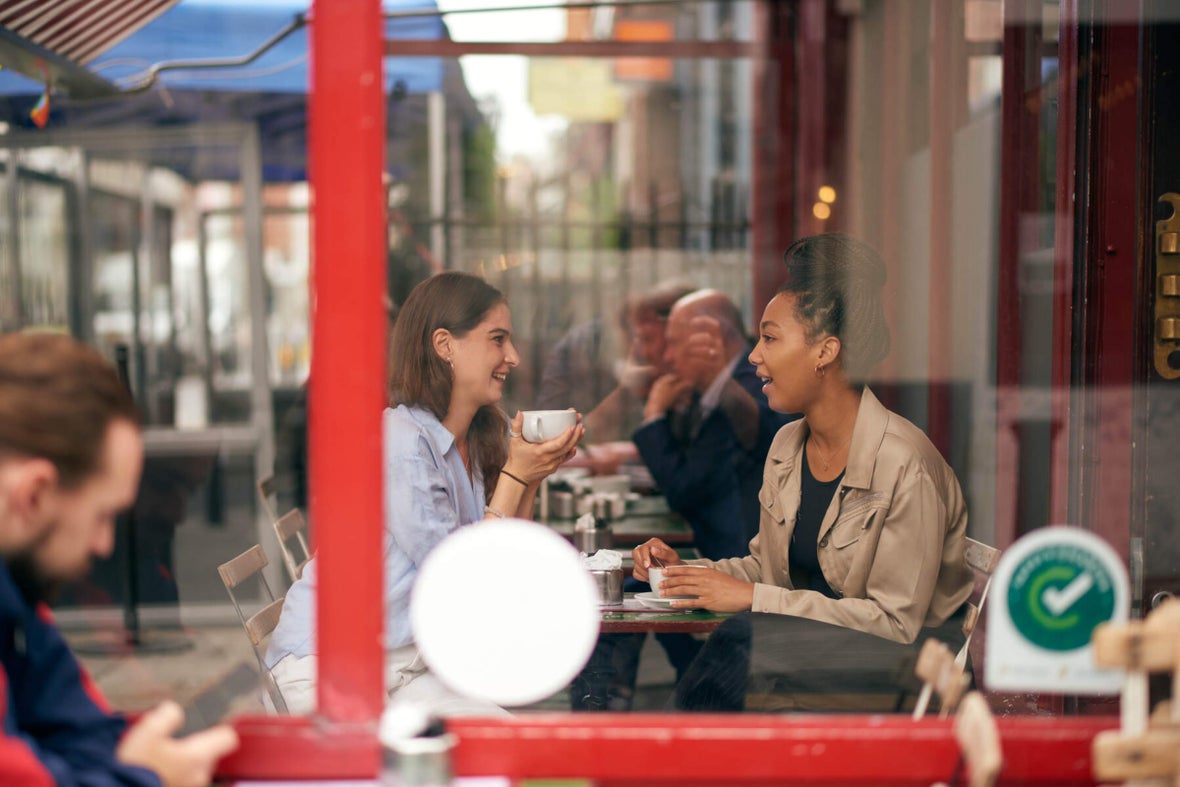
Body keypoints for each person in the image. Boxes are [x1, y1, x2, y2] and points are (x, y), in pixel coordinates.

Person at [632, 232, 975, 711]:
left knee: (746, 639)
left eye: (770, 338)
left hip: (899, 671)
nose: (754, 357)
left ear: (825, 352)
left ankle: (664, 764)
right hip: (809, 652)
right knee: (695, 613)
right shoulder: (787, 445)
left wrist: (753, 598)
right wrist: (688, 573)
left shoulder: (904, 463)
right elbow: (765, 571)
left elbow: (897, 624)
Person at [267, 271, 584, 715]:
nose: (512, 357)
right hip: (327, 667)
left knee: (503, 742)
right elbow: (458, 581)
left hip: (405, 666)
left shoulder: (465, 442)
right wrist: (516, 474)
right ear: (444, 345)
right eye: (498, 339)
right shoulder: (401, 442)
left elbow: (498, 561)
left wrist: (529, 475)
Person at [0, 331, 239, 787]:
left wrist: (148, 755)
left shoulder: (18, 599)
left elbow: (76, 725)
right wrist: (145, 776)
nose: (106, 545)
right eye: (102, 515)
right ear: (33, 494)